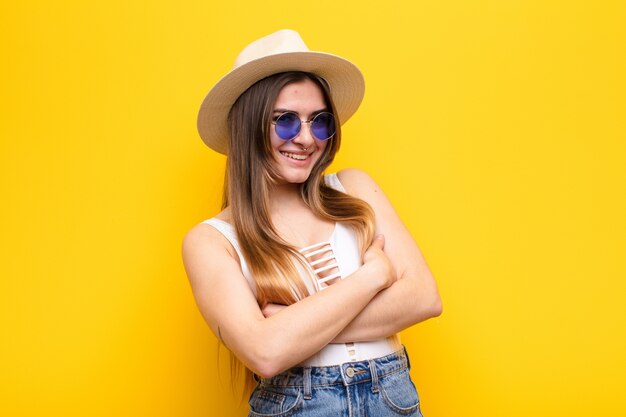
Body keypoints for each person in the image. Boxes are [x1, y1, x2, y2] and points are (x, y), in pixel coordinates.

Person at [183, 29, 442, 416]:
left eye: (319, 122)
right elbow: (266, 353)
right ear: (248, 126)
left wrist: (291, 326)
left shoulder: (354, 189)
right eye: (285, 121)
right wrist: (372, 277)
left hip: (391, 397)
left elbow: (424, 298)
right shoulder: (212, 240)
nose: (306, 138)